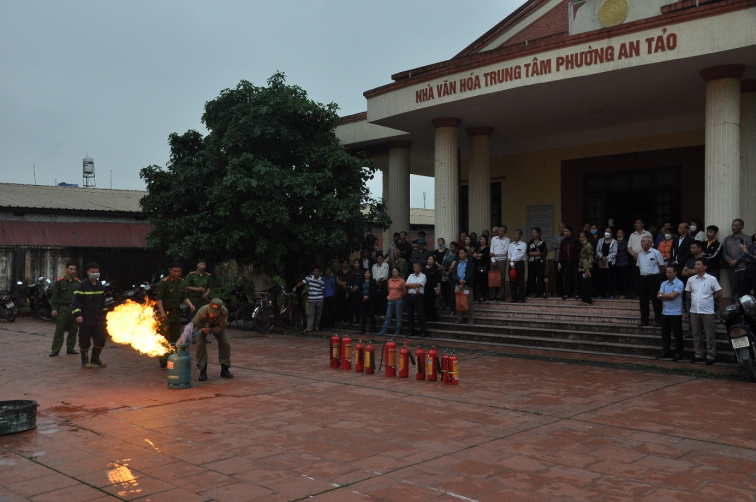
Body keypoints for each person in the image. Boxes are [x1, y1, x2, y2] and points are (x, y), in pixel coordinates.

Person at [176, 298, 233, 380]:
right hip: (201, 327)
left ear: (220, 310)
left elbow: (222, 327)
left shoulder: (224, 312)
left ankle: (225, 368)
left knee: (225, 343)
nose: (213, 315)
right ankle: (202, 370)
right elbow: (193, 323)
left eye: (215, 313)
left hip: (217, 327)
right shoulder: (202, 311)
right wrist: (187, 331)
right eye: (211, 312)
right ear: (209, 307)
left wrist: (211, 330)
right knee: (199, 345)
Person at [156, 262, 195, 368]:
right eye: (174, 271)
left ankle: (173, 357)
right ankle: (163, 358)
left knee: (176, 337)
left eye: (178, 271)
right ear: (170, 271)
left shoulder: (182, 282)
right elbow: (159, 299)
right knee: (163, 336)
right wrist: (162, 312)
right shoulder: (164, 282)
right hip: (165, 313)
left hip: (176, 313)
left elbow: (184, 297)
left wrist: (190, 305)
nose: (176, 273)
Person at [71, 263, 109, 369]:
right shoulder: (82, 285)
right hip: (85, 318)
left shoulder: (99, 285)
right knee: (84, 340)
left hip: (98, 318)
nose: (95, 274)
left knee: (101, 338)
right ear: (88, 272)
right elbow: (76, 302)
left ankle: (95, 358)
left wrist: (105, 315)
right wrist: (78, 315)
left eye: (97, 272)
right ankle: (85, 360)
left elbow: (102, 302)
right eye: (93, 272)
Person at [686, 258, 722, 364]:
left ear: (705, 266)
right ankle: (698, 354)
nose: (696, 266)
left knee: (709, 334)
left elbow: (719, 292)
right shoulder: (691, 279)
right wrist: (694, 299)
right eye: (695, 264)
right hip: (694, 311)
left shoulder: (711, 279)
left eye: (698, 264)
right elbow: (687, 292)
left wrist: (710, 299)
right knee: (696, 334)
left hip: (707, 311)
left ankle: (711, 355)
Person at [49, 262, 80, 357]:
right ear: (66, 269)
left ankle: (70, 348)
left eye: (74, 269)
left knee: (73, 329)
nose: (73, 271)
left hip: (74, 308)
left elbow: (80, 296)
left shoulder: (78, 282)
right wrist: (54, 308)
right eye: (71, 269)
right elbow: (55, 296)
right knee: (60, 329)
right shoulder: (60, 282)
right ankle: (55, 349)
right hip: (63, 308)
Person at [657, 264, 685, 361]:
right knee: (665, 333)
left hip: (675, 312)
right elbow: (658, 296)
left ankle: (679, 352)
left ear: (675, 272)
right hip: (665, 311)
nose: (667, 274)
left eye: (670, 272)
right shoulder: (664, 283)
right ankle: (666, 351)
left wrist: (663, 296)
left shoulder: (679, 283)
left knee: (677, 334)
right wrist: (665, 296)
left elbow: (673, 296)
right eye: (666, 272)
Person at [636, 237, 664, 327]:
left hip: (653, 278)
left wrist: (659, 277)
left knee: (656, 300)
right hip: (643, 278)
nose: (642, 243)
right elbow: (639, 266)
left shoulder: (656, 253)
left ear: (650, 243)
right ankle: (644, 319)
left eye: (644, 241)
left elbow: (662, 266)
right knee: (643, 300)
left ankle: (658, 320)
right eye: (641, 241)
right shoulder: (640, 255)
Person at [723, 219, 753, 296]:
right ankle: (736, 302)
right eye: (732, 225)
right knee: (734, 285)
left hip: (743, 266)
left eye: (736, 226)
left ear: (742, 227)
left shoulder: (747, 238)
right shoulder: (727, 239)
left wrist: (737, 259)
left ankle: (744, 302)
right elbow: (724, 252)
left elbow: (747, 251)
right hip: (731, 266)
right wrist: (730, 261)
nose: (733, 227)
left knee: (744, 285)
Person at [293, 266, 326, 333]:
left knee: (318, 314)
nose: (316, 272)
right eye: (315, 271)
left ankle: (316, 327)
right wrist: (296, 287)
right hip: (311, 299)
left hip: (319, 299)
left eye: (317, 271)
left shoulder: (322, 280)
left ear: (319, 272)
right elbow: (302, 282)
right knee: (311, 314)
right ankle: (309, 328)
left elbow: (323, 290)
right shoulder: (309, 278)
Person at [377, 267, 406, 336]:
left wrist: (400, 296)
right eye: (393, 272)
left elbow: (404, 291)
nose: (394, 273)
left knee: (398, 315)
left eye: (395, 272)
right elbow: (388, 289)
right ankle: (384, 328)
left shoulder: (401, 281)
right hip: (390, 299)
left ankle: (398, 328)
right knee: (388, 315)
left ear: (399, 273)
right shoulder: (390, 280)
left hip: (398, 300)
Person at [628, 219, 653, 297]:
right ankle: (638, 294)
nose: (636, 224)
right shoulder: (632, 235)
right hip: (634, 258)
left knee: (645, 275)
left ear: (643, 224)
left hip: (645, 257)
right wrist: (634, 255)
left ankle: (646, 293)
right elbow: (629, 247)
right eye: (635, 223)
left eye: (638, 223)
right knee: (635, 276)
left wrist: (639, 254)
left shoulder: (648, 233)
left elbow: (651, 245)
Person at [451, 248, 475, 325]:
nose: (460, 255)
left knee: (469, 302)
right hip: (458, 284)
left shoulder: (470, 263)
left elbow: (471, 273)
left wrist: (464, 281)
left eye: (462, 253)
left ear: (466, 254)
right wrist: (459, 280)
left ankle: (471, 318)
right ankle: (460, 318)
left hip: (467, 284)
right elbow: (454, 274)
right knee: (459, 302)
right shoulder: (457, 263)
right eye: (459, 253)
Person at [405, 262, 428, 337]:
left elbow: (420, 284)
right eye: (414, 267)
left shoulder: (423, 276)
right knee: (410, 314)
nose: (415, 269)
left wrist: (412, 285)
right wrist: (415, 286)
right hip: (410, 296)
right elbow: (406, 284)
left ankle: (423, 331)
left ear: (420, 268)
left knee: (420, 314)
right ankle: (410, 330)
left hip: (418, 296)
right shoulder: (411, 275)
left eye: (416, 267)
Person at [595, 227, 618, 299]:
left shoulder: (614, 242)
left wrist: (607, 258)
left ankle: (611, 294)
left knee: (611, 278)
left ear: (611, 233)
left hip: (610, 262)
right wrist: (602, 257)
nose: (607, 233)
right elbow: (598, 250)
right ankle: (602, 294)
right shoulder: (600, 240)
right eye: (606, 231)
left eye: (608, 231)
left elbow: (614, 252)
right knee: (602, 278)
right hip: (602, 262)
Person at [490, 226, 510, 302]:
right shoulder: (493, 239)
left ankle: (500, 296)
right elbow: (491, 250)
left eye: (502, 231)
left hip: (502, 260)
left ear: (505, 232)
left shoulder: (507, 240)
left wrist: (495, 254)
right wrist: (493, 260)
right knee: (493, 278)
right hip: (493, 260)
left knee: (501, 278)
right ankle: (492, 296)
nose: (500, 232)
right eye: (499, 230)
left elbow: (504, 252)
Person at [558, 225, 579, 300]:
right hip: (566, 261)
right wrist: (559, 262)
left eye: (567, 231)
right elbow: (561, 252)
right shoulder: (563, 241)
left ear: (571, 232)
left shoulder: (576, 240)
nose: (565, 233)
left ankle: (577, 293)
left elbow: (578, 250)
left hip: (575, 261)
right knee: (567, 277)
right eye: (564, 231)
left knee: (576, 277)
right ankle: (567, 293)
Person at [527, 228, 547, 299]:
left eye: (535, 232)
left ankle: (541, 292)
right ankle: (532, 292)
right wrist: (535, 253)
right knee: (531, 276)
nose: (534, 234)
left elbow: (542, 251)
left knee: (540, 276)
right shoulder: (530, 242)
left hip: (540, 261)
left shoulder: (542, 242)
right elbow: (528, 252)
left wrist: (535, 253)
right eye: (532, 233)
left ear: (539, 233)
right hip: (531, 261)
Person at [508, 230, 527, 303]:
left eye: (517, 234)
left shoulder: (523, 245)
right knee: (512, 281)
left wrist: (512, 260)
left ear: (520, 236)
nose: (516, 236)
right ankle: (514, 297)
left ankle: (521, 297)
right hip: (511, 264)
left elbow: (522, 255)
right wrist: (512, 264)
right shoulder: (511, 245)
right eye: (515, 234)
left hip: (519, 264)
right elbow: (509, 255)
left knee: (520, 281)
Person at [358, 269, 378, 334]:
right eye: (366, 273)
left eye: (368, 273)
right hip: (363, 299)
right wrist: (363, 296)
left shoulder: (373, 281)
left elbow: (374, 290)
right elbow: (360, 290)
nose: (367, 274)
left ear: (370, 274)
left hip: (371, 299)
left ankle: (372, 329)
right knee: (363, 315)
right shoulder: (361, 281)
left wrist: (368, 296)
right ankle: (362, 329)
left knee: (372, 314)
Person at [577, 232, 594, 305]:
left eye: (583, 237)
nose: (581, 239)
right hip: (581, 267)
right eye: (580, 237)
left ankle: (588, 300)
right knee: (582, 285)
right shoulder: (582, 245)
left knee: (586, 285)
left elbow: (590, 258)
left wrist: (588, 269)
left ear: (586, 238)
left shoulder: (588, 246)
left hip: (586, 268)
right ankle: (583, 300)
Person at [473, 235, 490, 302]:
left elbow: (485, 256)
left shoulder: (487, 248)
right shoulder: (477, 248)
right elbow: (473, 255)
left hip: (484, 267)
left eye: (483, 239)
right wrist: (479, 255)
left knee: (483, 282)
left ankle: (483, 296)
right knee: (475, 282)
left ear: (486, 241)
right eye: (481, 239)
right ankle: (475, 296)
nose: (481, 240)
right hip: (476, 267)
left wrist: (477, 255)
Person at [424, 255, 441, 321]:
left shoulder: (435, 269)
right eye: (429, 259)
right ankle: (426, 317)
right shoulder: (423, 268)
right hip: (425, 288)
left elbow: (438, 280)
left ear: (434, 261)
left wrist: (439, 288)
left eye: (431, 259)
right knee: (425, 303)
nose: (430, 260)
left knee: (432, 303)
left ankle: (433, 317)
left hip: (433, 288)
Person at [615, 229, 631, 299]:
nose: (619, 234)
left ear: (623, 235)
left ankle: (624, 293)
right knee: (618, 279)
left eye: (620, 233)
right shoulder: (614, 242)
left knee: (624, 278)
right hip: (616, 262)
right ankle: (619, 293)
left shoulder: (625, 243)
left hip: (624, 262)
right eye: (618, 233)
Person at [551, 222, 566, 298]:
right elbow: (552, 246)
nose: (560, 229)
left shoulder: (567, 237)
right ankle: (559, 292)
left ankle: (566, 292)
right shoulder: (556, 237)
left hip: (565, 260)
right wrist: (558, 246)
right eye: (559, 227)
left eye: (562, 227)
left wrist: (560, 246)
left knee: (566, 276)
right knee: (558, 277)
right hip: (557, 259)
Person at [372, 253, 389, 317]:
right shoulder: (374, 266)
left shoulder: (386, 265)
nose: (379, 260)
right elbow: (374, 274)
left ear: (382, 259)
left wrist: (379, 279)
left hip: (382, 282)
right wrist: (376, 280)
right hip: (375, 282)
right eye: (378, 259)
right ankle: (377, 313)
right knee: (376, 298)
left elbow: (385, 274)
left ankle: (383, 313)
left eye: (380, 258)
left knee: (383, 298)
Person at [441, 241, 457, 310]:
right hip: (444, 271)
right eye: (450, 247)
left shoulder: (456, 255)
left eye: (453, 247)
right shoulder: (447, 252)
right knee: (444, 287)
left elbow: (453, 265)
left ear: (455, 248)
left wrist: (448, 272)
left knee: (451, 288)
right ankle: (445, 302)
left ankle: (451, 303)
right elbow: (443, 261)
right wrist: (443, 270)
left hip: (452, 272)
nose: (451, 248)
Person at [347, 259, 363, 323]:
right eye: (355, 263)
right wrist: (348, 291)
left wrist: (357, 287)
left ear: (359, 264)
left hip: (359, 291)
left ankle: (361, 319)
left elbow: (362, 281)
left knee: (360, 305)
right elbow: (348, 281)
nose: (356, 265)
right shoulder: (350, 272)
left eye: (357, 263)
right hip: (352, 291)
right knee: (353, 305)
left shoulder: (362, 272)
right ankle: (354, 318)